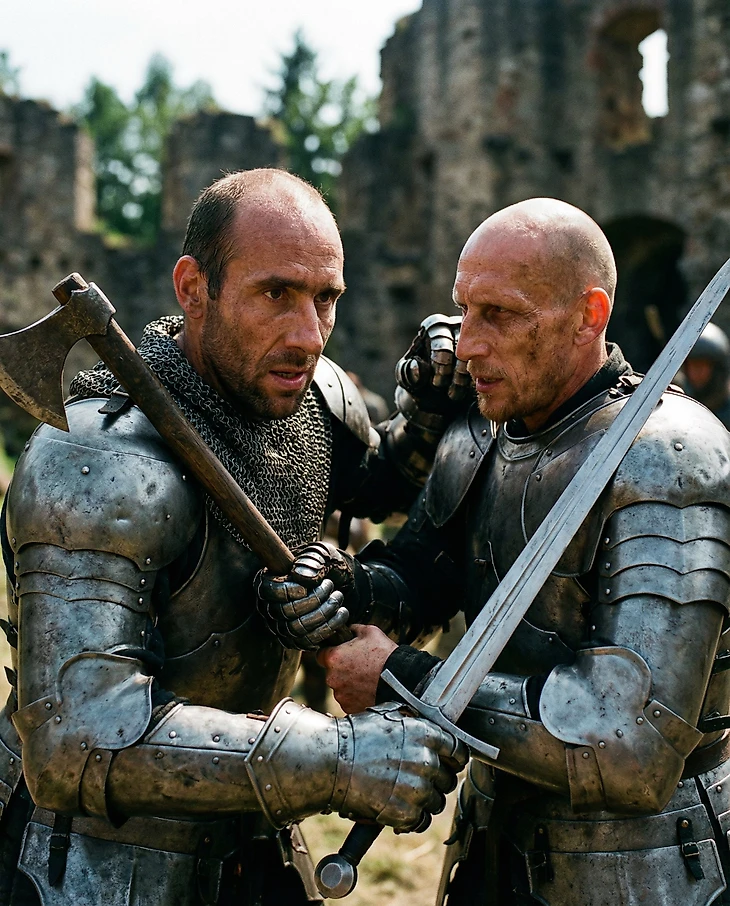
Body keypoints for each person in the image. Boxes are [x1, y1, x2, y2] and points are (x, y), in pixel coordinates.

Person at [0, 168, 468, 906]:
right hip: (91, 864)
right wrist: (341, 758)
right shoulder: (96, 462)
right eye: (276, 293)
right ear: (194, 288)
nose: (307, 335)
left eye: (326, 298)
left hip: (252, 841)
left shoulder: (313, 399)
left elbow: (381, 481)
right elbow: (75, 739)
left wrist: (433, 404)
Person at [259, 197, 730, 906]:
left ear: (589, 315)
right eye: (465, 310)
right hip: (488, 845)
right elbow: (423, 573)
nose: (467, 344)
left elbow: (632, 745)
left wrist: (402, 680)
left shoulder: (668, 458)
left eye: (501, 315)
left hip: (648, 867)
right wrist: (348, 588)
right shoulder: (482, 431)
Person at [682, 321, 730, 428]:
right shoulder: (679, 406)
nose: (695, 372)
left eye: (701, 365)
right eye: (691, 365)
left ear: (717, 369)